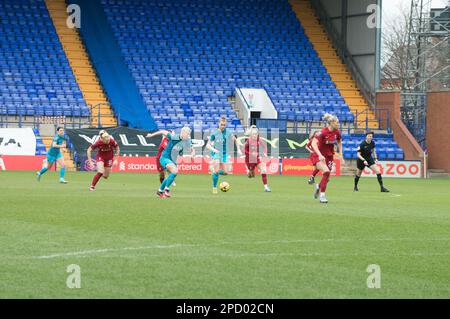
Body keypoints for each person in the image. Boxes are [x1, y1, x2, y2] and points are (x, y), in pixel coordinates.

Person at [148, 126, 193, 198]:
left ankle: (160, 191)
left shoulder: (187, 140)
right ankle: (167, 189)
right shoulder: (173, 137)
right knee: (175, 171)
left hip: (173, 160)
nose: (188, 136)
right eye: (187, 134)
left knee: (171, 175)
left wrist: (192, 155)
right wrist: (151, 135)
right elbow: (162, 132)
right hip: (164, 158)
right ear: (183, 132)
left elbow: (192, 149)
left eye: (189, 134)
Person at [310, 113, 345, 203]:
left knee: (327, 178)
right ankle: (322, 196)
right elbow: (313, 143)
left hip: (329, 156)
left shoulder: (337, 132)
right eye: (337, 123)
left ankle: (318, 186)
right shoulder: (322, 132)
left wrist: (341, 154)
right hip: (318, 156)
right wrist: (320, 155)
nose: (338, 124)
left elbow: (339, 143)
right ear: (332, 123)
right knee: (326, 172)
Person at [205, 116, 242, 194]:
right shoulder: (214, 133)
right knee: (217, 168)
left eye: (224, 125)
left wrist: (238, 149)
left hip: (224, 154)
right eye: (221, 124)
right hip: (216, 153)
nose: (223, 126)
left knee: (226, 172)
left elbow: (236, 140)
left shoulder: (228, 132)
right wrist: (214, 150)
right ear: (219, 124)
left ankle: (214, 171)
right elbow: (207, 145)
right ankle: (214, 188)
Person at [243, 125, 271, 192]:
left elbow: (265, 147)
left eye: (256, 134)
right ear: (251, 134)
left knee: (263, 170)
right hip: (249, 161)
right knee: (252, 176)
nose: (255, 135)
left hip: (257, 159)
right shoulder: (248, 141)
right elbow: (243, 150)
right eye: (253, 134)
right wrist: (251, 154)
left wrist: (265, 152)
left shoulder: (258, 139)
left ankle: (266, 187)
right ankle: (248, 171)